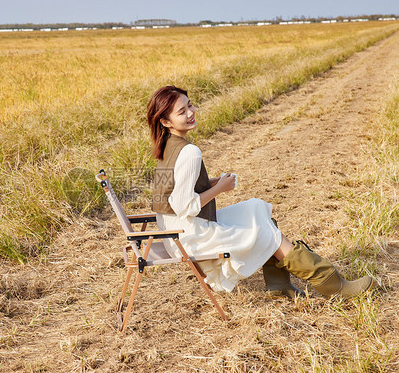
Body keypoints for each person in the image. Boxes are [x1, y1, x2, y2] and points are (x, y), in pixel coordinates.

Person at [148, 85, 374, 298]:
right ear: (166, 121)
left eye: (190, 105)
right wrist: (219, 188)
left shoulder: (168, 145)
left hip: (175, 233)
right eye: (182, 111)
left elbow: (175, 191)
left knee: (256, 209)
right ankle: (332, 284)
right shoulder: (190, 152)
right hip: (192, 238)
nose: (190, 112)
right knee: (265, 231)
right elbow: (183, 205)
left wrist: (213, 181)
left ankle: (280, 284)